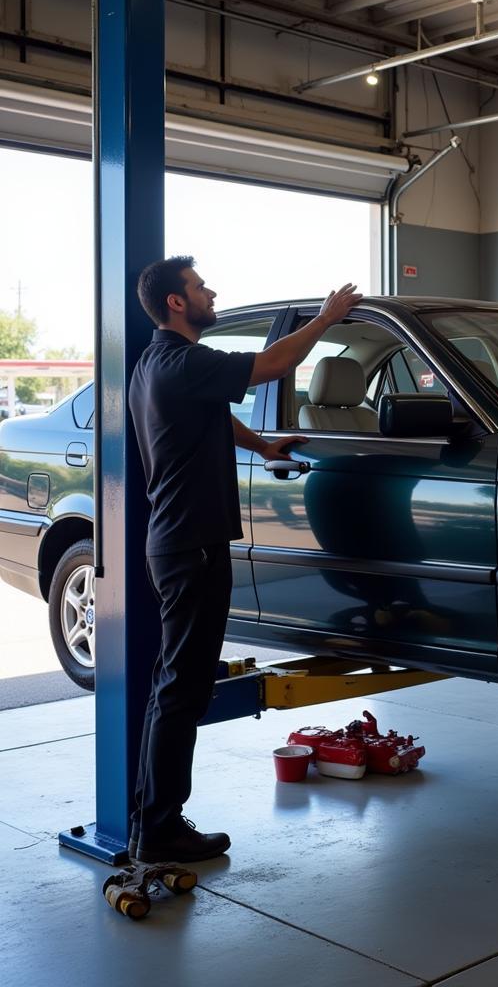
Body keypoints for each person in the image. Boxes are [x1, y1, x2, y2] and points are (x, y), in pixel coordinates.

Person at [127, 256, 361, 863]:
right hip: (191, 546)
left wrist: (264, 443)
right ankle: (160, 827)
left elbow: (213, 416)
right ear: (177, 303)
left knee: (176, 684)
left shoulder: (159, 365)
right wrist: (327, 318)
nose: (211, 294)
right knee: (182, 688)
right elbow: (276, 363)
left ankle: (154, 818)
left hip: (182, 543)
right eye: (201, 288)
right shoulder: (183, 360)